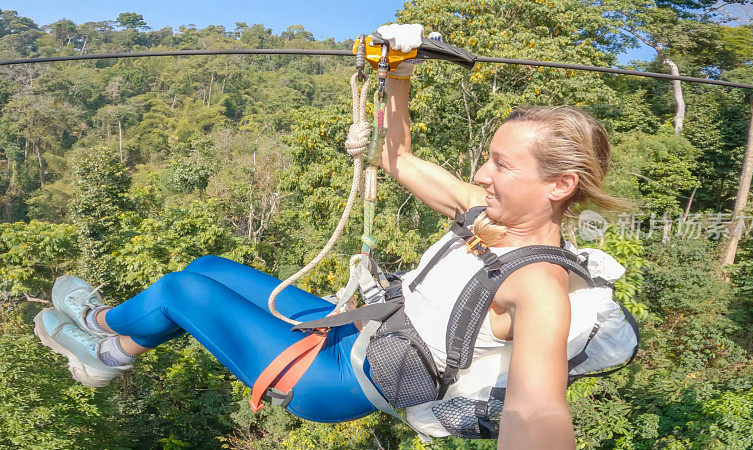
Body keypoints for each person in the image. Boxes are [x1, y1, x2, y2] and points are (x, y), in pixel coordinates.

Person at [34, 25, 627, 449]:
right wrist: (398, 75)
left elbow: (537, 407)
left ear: (560, 185)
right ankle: (114, 352)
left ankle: (100, 333)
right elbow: (399, 160)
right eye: (487, 160)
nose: (481, 175)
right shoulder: (483, 214)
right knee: (209, 266)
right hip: (359, 327)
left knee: (181, 292)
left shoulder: (538, 285)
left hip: (339, 382)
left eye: (502, 165)